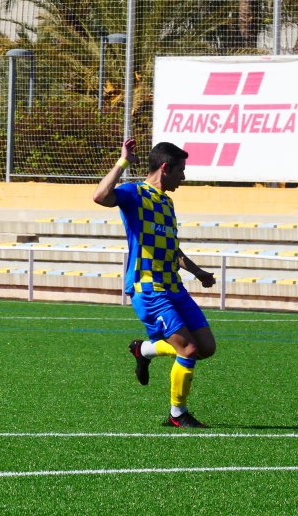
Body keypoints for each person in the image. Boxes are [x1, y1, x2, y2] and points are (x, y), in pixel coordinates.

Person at [93, 138, 217, 428]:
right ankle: (178, 414)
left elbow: (172, 250)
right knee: (187, 350)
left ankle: (144, 350)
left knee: (206, 347)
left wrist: (198, 273)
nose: (183, 178)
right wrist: (123, 162)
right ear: (165, 168)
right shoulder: (134, 194)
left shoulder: (167, 203)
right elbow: (99, 196)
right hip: (148, 289)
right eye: (181, 171)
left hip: (174, 287)